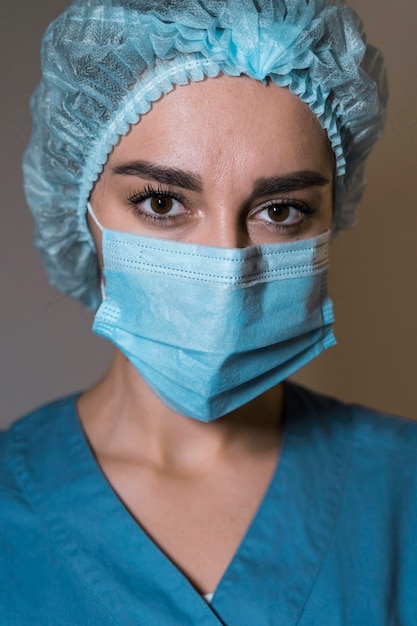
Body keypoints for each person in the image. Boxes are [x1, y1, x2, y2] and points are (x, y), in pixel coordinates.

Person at [1, 0, 416, 624]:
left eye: (281, 210)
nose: (229, 263)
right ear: (79, 210)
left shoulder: (404, 492)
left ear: (331, 217)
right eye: (162, 202)